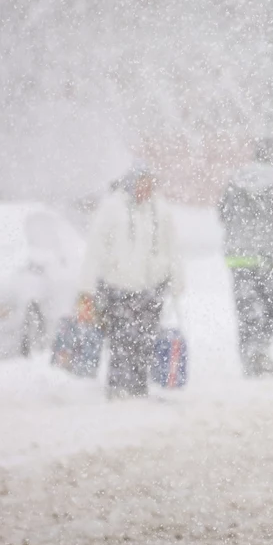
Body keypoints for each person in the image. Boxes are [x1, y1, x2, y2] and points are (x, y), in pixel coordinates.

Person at [78, 162, 184, 399]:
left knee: (145, 341)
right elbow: (95, 249)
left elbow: (173, 249)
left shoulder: (161, 212)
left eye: (149, 184)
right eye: (140, 184)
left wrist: (177, 280)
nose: (144, 190)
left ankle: (138, 386)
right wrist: (86, 288)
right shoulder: (112, 209)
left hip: (151, 288)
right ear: (130, 183)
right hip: (117, 287)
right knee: (120, 340)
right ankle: (117, 386)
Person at [218, 137, 273, 377]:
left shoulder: (236, 180)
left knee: (247, 308)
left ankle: (249, 353)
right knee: (272, 305)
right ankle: (260, 350)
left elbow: (222, 213)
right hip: (271, 256)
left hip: (240, 256)